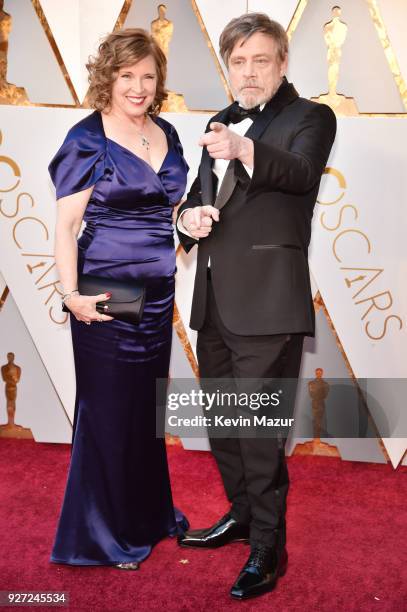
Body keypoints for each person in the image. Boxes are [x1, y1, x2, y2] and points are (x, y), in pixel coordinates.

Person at [176, 13, 336, 600]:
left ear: (283, 62)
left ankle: (270, 546)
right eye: (238, 61)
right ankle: (242, 516)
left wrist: (244, 146)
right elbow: (198, 199)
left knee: (259, 433)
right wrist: (186, 221)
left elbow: (299, 173)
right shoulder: (220, 120)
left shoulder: (311, 117)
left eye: (260, 59)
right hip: (213, 299)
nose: (248, 71)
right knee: (224, 425)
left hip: (268, 302)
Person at [48, 28, 189, 569]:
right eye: (127, 75)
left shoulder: (168, 132)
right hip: (106, 292)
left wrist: (189, 220)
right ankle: (101, 538)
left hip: (157, 294)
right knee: (106, 414)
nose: (138, 86)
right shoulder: (88, 137)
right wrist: (71, 295)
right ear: (107, 77)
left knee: (143, 414)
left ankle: (148, 518)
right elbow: (66, 226)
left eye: (148, 76)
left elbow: (168, 209)